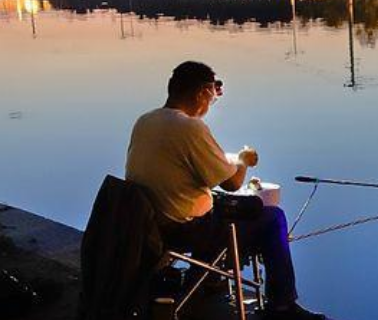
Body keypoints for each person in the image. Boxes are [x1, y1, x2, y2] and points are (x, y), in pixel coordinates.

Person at [125, 61, 325, 320]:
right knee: (272, 218)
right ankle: (282, 305)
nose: (210, 104)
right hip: (182, 230)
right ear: (200, 93)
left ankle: (209, 279)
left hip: (148, 224)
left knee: (220, 207)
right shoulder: (189, 127)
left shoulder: (145, 121)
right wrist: (242, 160)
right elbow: (232, 183)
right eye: (211, 97)